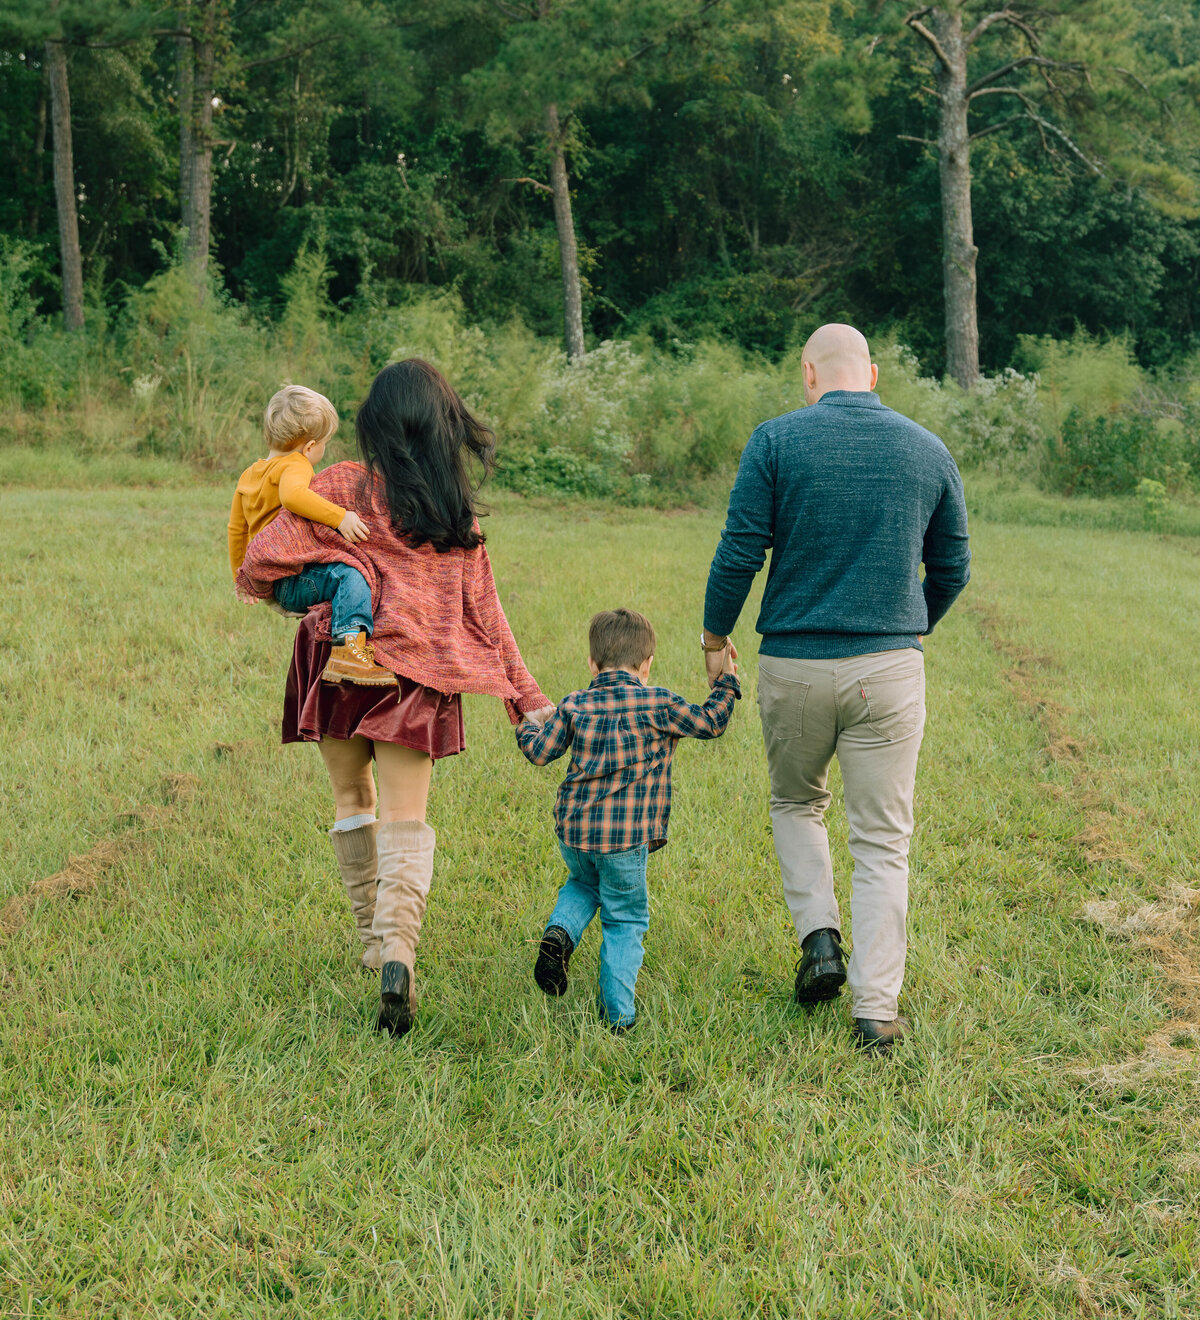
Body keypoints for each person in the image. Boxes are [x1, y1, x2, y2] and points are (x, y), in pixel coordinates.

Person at [238, 359, 554, 1039]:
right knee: (407, 819)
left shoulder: (342, 485)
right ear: (445, 428)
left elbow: (262, 560)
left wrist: (335, 576)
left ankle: (374, 945)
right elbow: (489, 615)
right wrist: (527, 699)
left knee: (354, 802)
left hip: (335, 663)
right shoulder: (454, 516)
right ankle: (400, 951)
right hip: (415, 677)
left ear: (374, 427)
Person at [701, 324, 970, 1052]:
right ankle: (875, 1012)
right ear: (874, 373)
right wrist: (911, 624)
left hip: (793, 665)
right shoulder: (927, 448)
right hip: (889, 667)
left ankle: (820, 939)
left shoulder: (777, 440)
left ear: (808, 373)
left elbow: (739, 550)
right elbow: (954, 567)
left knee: (796, 802)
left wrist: (713, 635)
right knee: (883, 841)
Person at [517, 607, 740, 1033]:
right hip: (625, 841)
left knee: (583, 884)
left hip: (575, 835)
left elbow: (539, 752)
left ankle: (559, 935)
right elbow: (712, 722)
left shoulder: (575, 704)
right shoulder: (658, 702)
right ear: (647, 664)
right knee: (625, 919)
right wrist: (726, 681)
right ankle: (618, 1016)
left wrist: (529, 724)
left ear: (591, 663)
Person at [228, 384, 393, 688]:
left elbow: (237, 530)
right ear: (309, 447)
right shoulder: (295, 465)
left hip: (277, 581)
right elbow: (293, 497)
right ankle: (350, 654)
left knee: (342, 576)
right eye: (325, 443)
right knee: (351, 575)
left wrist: (245, 578)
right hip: (295, 576)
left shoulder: (250, 474)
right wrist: (340, 516)